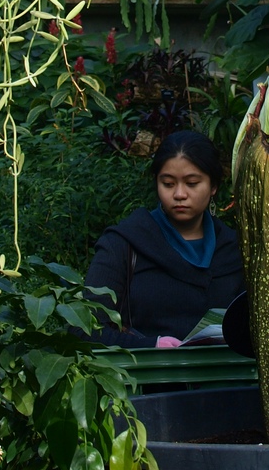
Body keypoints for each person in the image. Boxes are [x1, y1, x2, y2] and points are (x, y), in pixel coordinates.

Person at [84, 130, 245, 348]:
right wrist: (151, 346)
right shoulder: (123, 244)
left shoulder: (236, 249)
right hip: (147, 379)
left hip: (230, 380)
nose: (179, 194)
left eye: (192, 183)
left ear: (213, 186)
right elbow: (85, 328)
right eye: (168, 184)